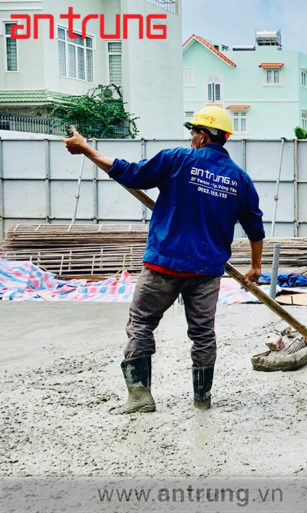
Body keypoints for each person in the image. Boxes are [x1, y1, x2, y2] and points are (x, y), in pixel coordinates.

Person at [61, 106, 264, 413]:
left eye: (193, 132)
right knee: (203, 334)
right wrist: (256, 266)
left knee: (141, 323)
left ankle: (140, 397)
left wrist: (87, 150)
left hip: (164, 265)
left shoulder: (177, 160)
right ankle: (202, 399)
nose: (191, 138)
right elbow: (254, 226)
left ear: (202, 135)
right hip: (206, 271)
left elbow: (130, 173)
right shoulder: (239, 179)